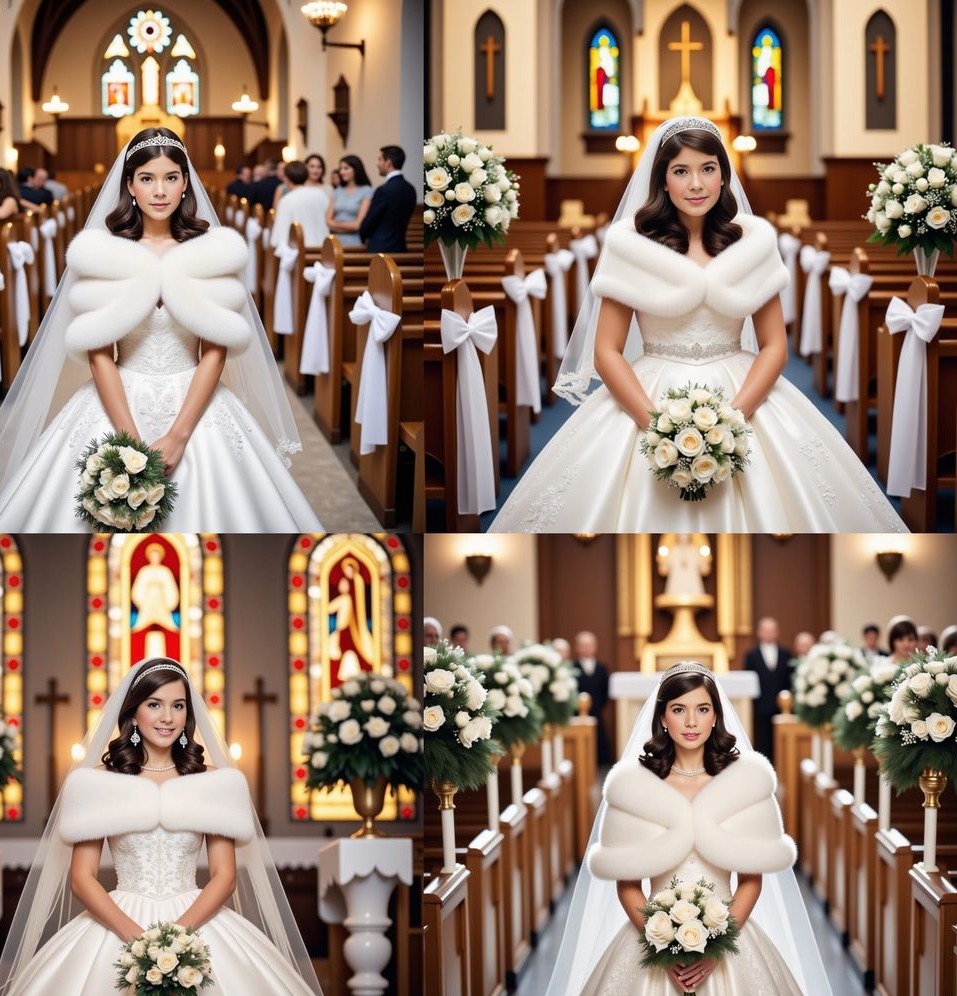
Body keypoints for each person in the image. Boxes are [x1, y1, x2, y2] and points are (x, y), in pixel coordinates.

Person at [490, 117, 908, 532]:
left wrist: (732, 421)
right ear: (663, 180)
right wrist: (658, 428)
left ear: (724, 177)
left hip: (743, 392)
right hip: (650, 394)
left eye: (708, 169)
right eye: (681, 171)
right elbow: (607, 351)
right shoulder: (632, 247)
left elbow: (774, 346)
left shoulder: (752, 245)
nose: (695, 184)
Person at [480, 662, 892, 996]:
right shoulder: (634, 785)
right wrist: (660, 943)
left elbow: (751, 880)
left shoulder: (744, 781)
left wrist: (717, 946)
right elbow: (627, 884)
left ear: (716, 715)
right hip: (650, 935)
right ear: (662, 717)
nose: (691, 721)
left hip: (730, 933)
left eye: (702, 709)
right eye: (678, 709)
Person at [0, 658, 362, 996]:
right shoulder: (99, 781)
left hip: (196, 918)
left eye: (178, 705)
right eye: (154, 704)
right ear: (133, 711)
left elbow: (223, 878)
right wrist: (140, 941)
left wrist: (174, 942)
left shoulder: (213, 782)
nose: (168, 717)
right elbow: (82, 879)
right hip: (118, 921)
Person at [0, 130, 322, 535]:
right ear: (130, 184)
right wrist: (128, 442)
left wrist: (178, 436)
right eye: (148, 178)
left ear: (186, 182)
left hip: (194, 401)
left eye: (171, 177)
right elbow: (100, 354)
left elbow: (214, 350)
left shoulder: (210, 250)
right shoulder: (105, 252)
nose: (160, 190)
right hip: (117, 396)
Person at [742, 615, 791, 759]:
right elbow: (748, 680)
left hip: (782, 706)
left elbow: (789, 679)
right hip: (761, 705)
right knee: (762, 739)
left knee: (781, 739)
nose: (769, 633)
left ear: (777, 632)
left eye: (772, 630)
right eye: (766, 630)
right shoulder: (751, 655)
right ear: (759, 632)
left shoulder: (785, 654)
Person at [358, 144, 416, 254]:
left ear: (388, 163)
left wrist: (362, 235)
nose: (377, 164)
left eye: (380, 159)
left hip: (380, 249)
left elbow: (370, 220)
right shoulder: (410, 189)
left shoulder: (384, 190)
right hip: (400, 248)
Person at [268, 160, 330, 254]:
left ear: (287, 179)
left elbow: (278, 237)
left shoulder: (286, 200)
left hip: (299, 252)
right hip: (324, 249)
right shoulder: (322, 195)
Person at [572, 629, 613, 765]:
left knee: (599, 742)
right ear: (577, 648)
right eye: (583, 645)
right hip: (577, 714)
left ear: (595, 647)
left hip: (597, 712)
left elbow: (605, 692)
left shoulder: (602, 668)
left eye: (589, 645)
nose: (586, 648)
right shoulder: (572, 668)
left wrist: (597, 706)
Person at [327, 154, 373, 236]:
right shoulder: (338, 190)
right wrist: (348, 226)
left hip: (354, 241)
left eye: (346, 168)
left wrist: (336, 225)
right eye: (341, 169)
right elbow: (328, 221)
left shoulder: (366, 190)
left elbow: (358, 225)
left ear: (356, 169)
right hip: (335, 239)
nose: (341, 172)